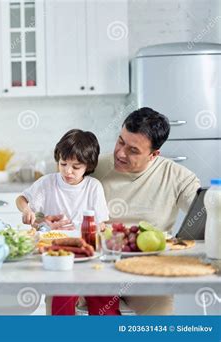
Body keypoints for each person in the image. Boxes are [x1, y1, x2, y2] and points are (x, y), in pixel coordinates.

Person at [92, 107, 201, 315]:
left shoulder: (178, 177)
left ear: (154, 155)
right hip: (98, 267)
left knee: (157, 326)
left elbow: (207, 214)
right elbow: (51, 197)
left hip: (148, 271)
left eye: (133, 150)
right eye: (120, 141)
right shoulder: (93, 167)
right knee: (58, 296)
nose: (121, 153)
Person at [16, 129, 119, 316]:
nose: (68, 171)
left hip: (87, 251)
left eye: (76, 166)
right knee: (63, 294)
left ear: (88, 166)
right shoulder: (48, 183)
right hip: (57, 252)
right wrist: (29, 212)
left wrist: (90, 229)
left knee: (103, 295)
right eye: (63, 164)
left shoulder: (93, 187)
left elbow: (102, 224)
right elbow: (22, 199)